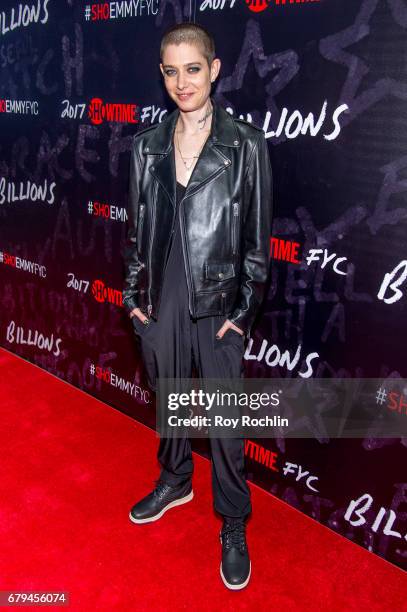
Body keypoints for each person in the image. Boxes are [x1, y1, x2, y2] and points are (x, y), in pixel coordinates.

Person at [122, 22, 273, 590]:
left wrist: (243, 314)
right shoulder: (146, 145)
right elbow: (137, 232)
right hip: (161, 296)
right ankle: (176, 478)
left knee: (226, 422)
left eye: (192, 68)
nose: (181, 82)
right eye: (170, 70)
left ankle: (233, 521)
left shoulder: (246, 145)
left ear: (214, 70)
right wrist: (135, 299)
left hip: (219, 300)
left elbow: (258, 244)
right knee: (170, 401)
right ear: (162, 76)